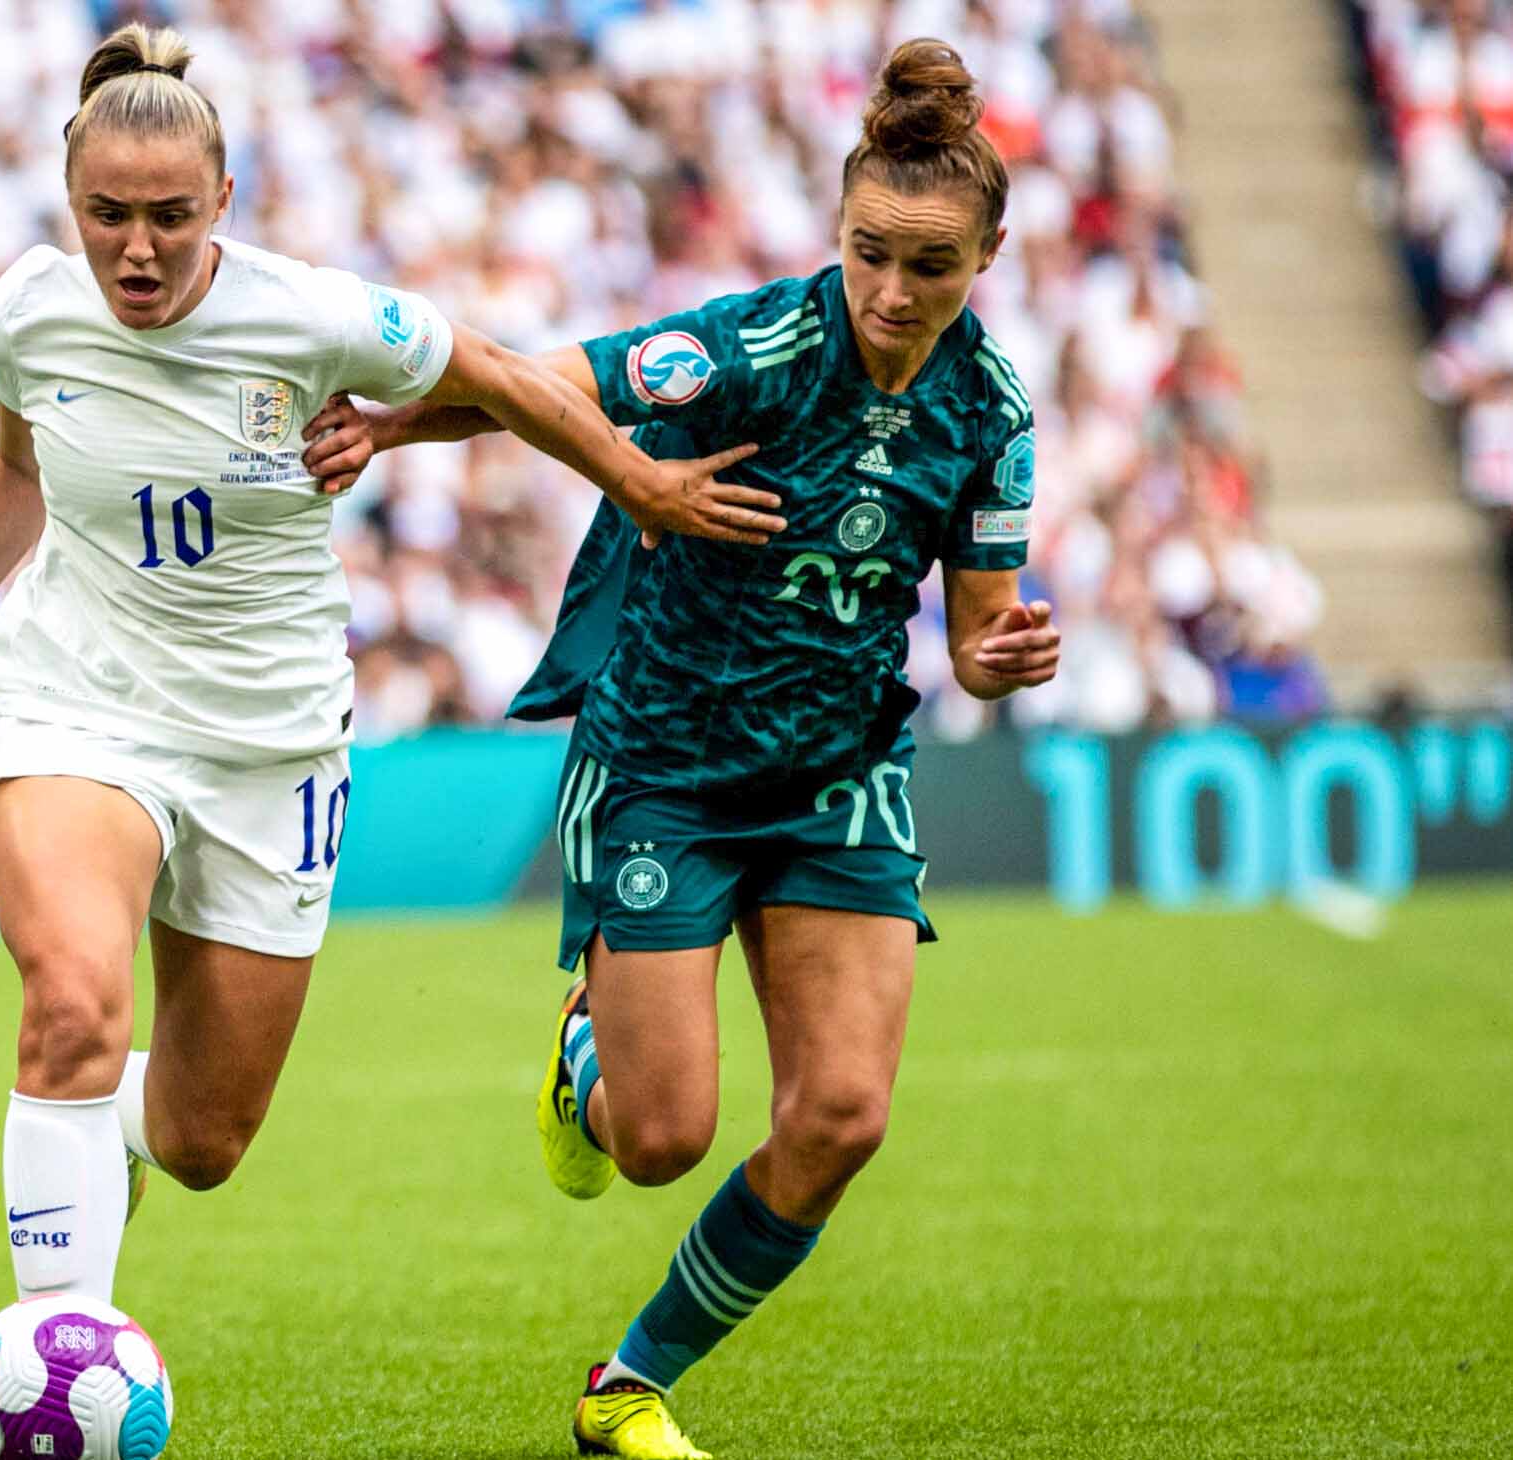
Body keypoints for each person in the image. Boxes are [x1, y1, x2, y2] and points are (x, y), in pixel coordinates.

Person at [0, 22, 782, 1308]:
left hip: (271, 742)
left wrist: (634, 483)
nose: (135, 248)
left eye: (170, 217)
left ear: (225, 202)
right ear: (67, 197)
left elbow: (508, 377)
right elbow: (22, 474)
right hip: (74, 703)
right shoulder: (28, 309)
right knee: (74, 1003)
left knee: (202, 1138)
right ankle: (60, 1349)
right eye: (106, 215)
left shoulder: (310, 312)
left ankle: (96, 1138)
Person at [350, 39, 1061, 1459]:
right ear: (836, 231)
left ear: (987, 255)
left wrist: (996, 656)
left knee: (841, 1115)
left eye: (930, 266)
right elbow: (529, 380)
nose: (889, 292)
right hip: (664, 765)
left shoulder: (990, 419)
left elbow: (977, 632)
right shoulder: (750, 346)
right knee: (659, 1138)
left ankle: (625, 1391)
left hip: (833, 772)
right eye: (867, 253)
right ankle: (583, 1059)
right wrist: (381, 432)